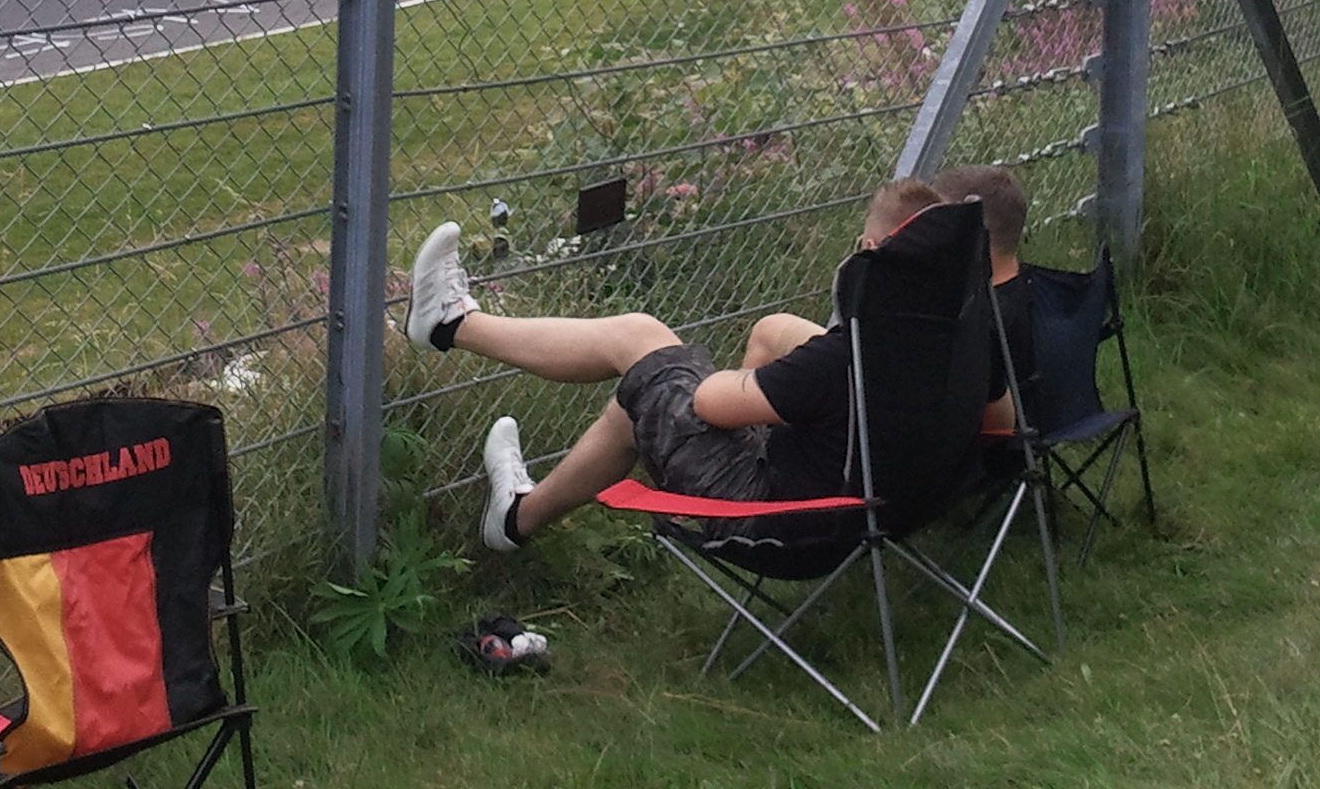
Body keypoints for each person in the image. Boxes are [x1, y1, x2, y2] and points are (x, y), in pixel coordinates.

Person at [403, 176, 943, 552]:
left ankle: (451, 323)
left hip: (775, 522)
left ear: (867, 249)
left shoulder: (838, 360)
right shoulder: (958, 347)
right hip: (875, 511)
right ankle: (515, 520)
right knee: (650, 396)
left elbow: (711, 402)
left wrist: (739, 382)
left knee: (641, 339)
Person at [927, 163, 1036, 432]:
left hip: (994, 444)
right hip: (1050, 422)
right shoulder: (1041, 293)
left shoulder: (980, 323)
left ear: (970, 235)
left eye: (939, 225)